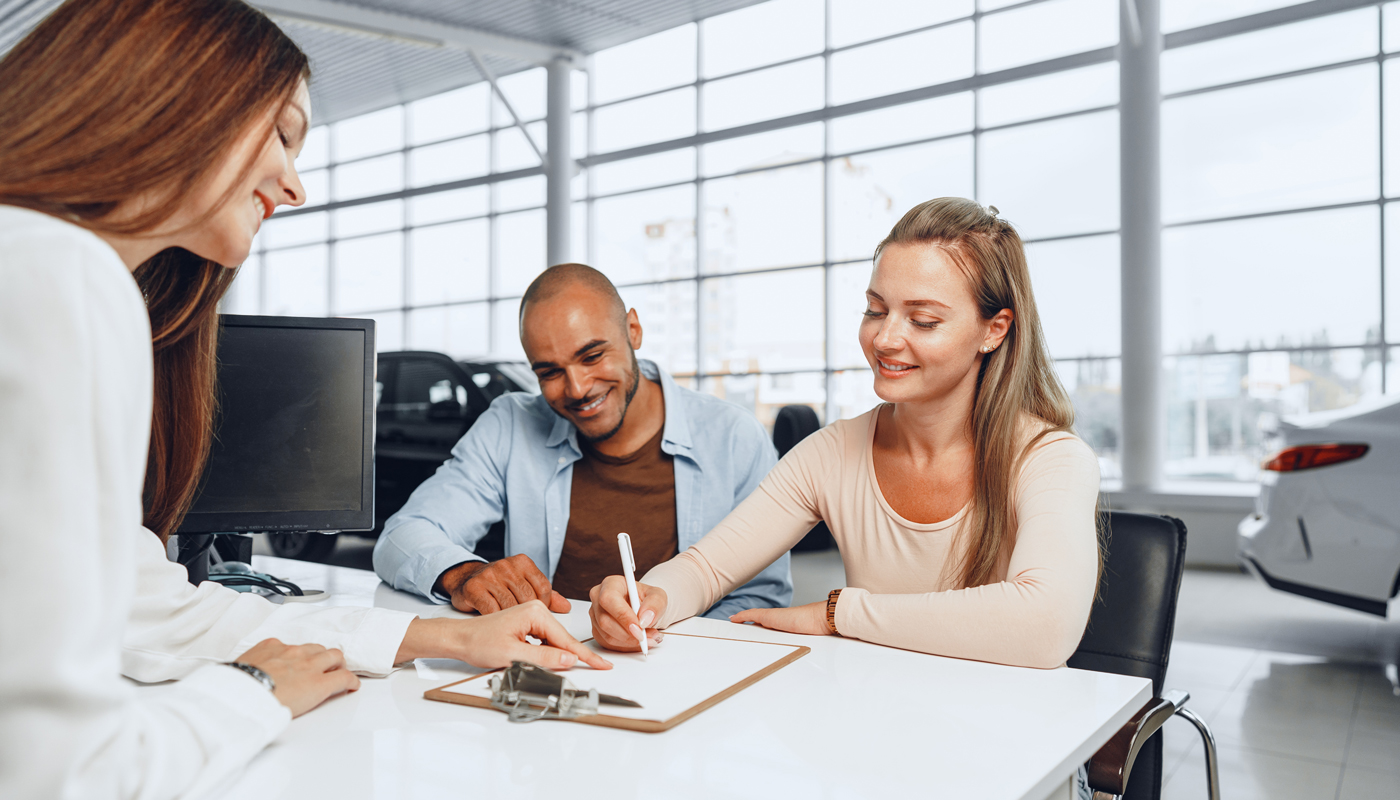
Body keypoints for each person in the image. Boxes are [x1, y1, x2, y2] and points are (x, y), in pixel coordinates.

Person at [0, 3, 604, 797]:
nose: (294, 185)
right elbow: (60, 772)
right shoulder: (59, 275)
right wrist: (252, 694)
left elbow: (153, 611)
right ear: (175, 94)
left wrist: (443, 639)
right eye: (283, 133)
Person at [589, 197, 1101, 670]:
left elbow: (1046, 626)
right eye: (876, 310)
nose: (885, 337)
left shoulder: (1049, 458)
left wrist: (837, 615)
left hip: (1017, 742)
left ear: (995, 329)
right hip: (882, 724)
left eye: (922, 320)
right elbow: (706, 569)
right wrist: (648, 598)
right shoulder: (834, 452)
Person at [373, 263, 793, 628]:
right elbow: (402, 536)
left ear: (633, 330)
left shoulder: (733, 437)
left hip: (684, 674)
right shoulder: (509, 425)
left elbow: (760, 597)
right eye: (550, 372)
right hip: (545, 671)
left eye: (592, 356)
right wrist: (463, 574)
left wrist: (658, 636)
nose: (577, 389)